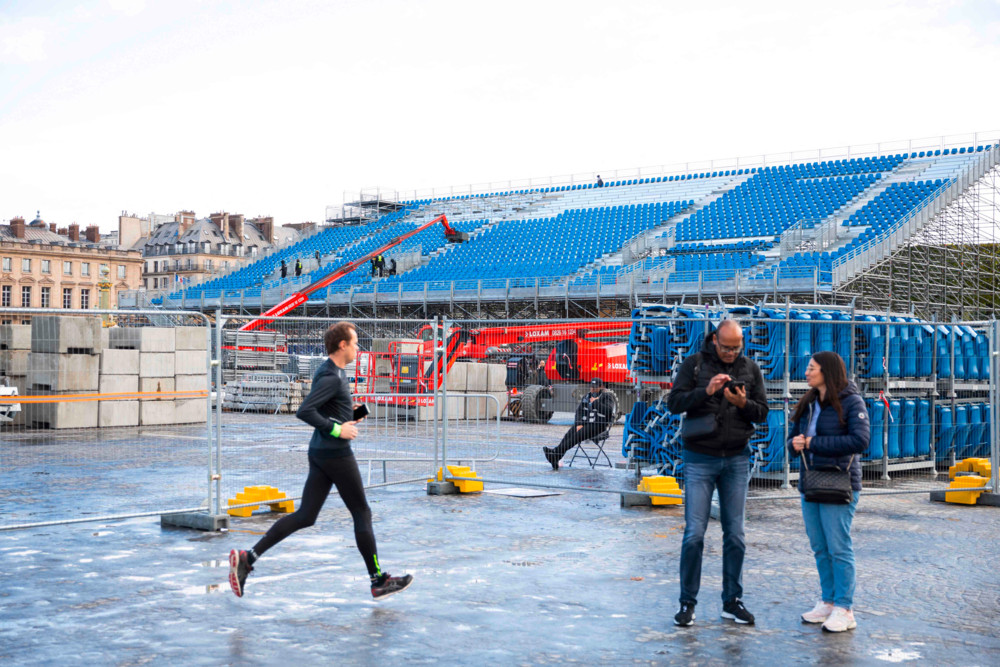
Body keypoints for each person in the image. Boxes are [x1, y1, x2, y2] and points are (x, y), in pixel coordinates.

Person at [229, 321, 413, 600]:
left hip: (321, 453)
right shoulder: (332, 376)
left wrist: (352, 413)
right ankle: (378, 581)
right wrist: (339, 429)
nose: (357, 347)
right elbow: (305, 411)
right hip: (335, 454)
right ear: (342, 345)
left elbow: (327, 408)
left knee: (306, 516)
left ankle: (248, 557)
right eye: (354, 342)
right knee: (362, 513)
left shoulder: (333, 372)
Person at [666, 319, 767, 627]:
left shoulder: (750, 368)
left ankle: (732, 601)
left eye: (736, 348)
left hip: (737, 458)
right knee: (694, 534)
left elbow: (762, 412)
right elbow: (674, 403)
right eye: (726, 347)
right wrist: (705, 391)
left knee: (735, 534)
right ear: (714, 341)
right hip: (700, 459)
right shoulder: (694, 365)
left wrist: (743, 403)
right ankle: (687, 603)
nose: (731, 353)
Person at [787, 351, 869, 633]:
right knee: (820, 546)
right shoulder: (808, 402)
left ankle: (845, 609)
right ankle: (828, 601)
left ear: (827, 372)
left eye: (812, 368)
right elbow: (793, 440)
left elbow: (860, 440)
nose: (806, 373)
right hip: (810, 482)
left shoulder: (852, 401)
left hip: (840, 483)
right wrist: (796, 443)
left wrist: (812, 443)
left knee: (838, 546)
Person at [542, 377, 615, 469]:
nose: (592, 389)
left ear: (601, 387)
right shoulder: (587, 396)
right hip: (586, 423)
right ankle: (556, 456)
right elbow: (579, 411)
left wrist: (595, 402)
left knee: (577, 436)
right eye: (591, 387)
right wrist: (579, 423)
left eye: (595, 387)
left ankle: (555, 454)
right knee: (569, 434)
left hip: (598, 425)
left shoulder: (607, 396)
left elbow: (608, 411)